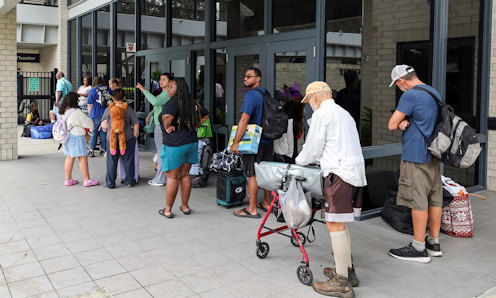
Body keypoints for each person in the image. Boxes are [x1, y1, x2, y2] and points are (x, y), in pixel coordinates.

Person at [295, 81, 366, 297]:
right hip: (353, 173)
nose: (309, 105)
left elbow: (313, 147)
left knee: (334, 224)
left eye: (309, 101)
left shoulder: (322, 114)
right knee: (341, 224)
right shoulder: (343, 113)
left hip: (338, 174)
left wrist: (298, 161)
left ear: (315, 96)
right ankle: (346, 271)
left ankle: (341, 283)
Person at [387, 65, 442, 263]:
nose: (398, 88)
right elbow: (424, 118)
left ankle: (418, 248)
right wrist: (407, 118)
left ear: (402, 81)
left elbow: (392, 124)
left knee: (418, 200)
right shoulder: (433, 92)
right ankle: (433, 243)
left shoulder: (410, 96)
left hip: (415, 155)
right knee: (434, 198)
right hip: (433, 154)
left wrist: (401, 120)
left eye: (397, 85)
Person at [229, 67, 273, 218]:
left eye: (249, 76)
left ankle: (252, 208)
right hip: (267, 138)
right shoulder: (266, 93)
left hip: (254, 141)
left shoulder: (251, 95)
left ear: (258, 78)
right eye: (245, 76)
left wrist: (235, 142)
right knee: (265, 172)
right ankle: (267, 202)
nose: (245, 79)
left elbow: (244, 120)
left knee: (252, 174)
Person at [158, 79, 201, 218]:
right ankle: (185, 206)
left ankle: (168, 210)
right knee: (185, 175)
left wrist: (167, 126)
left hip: (175, 144)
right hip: (191, 142)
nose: (168, 90)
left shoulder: (172, 103)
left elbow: (167, 117)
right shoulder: (192, 102)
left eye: (171, 87)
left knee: (172, 176)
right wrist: (194, 124)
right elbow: (205, 115)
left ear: (179, 89)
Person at [136, 73, 174, 187]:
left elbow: (156, 102)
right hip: (161, 124)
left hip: (161, 125)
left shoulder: (167, 93)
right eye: (160, 79)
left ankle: (161, 179)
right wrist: (150, 114)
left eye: (164, 79)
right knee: (162, 152)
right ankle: (163, 177)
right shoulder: (164, 93)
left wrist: (143, 90)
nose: (161, 81)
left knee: (161, 152)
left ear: (170, 82)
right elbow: (159, 106)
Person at [102, 88, 140, 188]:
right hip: (127, 138)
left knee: (111, 162)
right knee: (128, 160)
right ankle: (129, 181)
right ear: (124, 98)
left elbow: (104, 125)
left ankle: (110, 183)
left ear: (113, 98)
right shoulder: (128, 109)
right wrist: (135, 136)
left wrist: (106, 130)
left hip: (112, 138)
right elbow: (136, 123)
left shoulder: (109, 109)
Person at [59, 92, 99, 187]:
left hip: (67, 136)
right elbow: (89, 123)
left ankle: (68, 180)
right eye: (78, 99)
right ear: (74, 101)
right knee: (82, 157)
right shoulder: (76, 112)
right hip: (77, 136)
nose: (79, 101)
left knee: (69, 157)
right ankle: (87, 180)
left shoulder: (64, 111)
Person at [87, 76, 110, 157]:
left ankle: (91, 150)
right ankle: (104, 150)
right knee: (104, 132)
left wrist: (90, 113)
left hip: (95, 113)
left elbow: (90, 103)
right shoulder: (107, 89)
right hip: (106, 113)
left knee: (94, 132)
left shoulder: (93, 90)